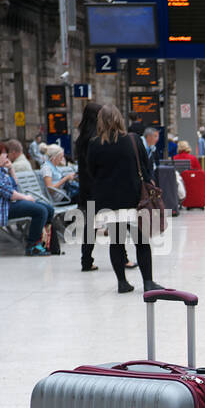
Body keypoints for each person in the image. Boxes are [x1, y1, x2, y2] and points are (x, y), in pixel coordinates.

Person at [85, 104, 163, 294]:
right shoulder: (133, 140)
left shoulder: (94, 144)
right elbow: (144, 168)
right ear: (120, 119)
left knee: (116, 242)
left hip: (108, 201)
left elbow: (91, 172)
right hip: (134, 199)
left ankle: (122, 282)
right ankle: (148, 282)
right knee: (141, 242)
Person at [0, 138, 54, 256]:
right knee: (40, 210)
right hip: (0, 209)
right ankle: (32, 246)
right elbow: (7, 192)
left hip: (8, 204)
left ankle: (44, 243)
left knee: (48, 209)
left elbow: (14, 186)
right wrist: (26, 198)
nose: (6, 155)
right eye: (4, 153)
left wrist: (11, 169)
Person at [73, 101, 103, 272]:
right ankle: (124, 258)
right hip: (99, 186)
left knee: (90, 225)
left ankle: (86, 260)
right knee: (115, 221)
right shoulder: (96, 139)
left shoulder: (81, 139)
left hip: (86, 187)